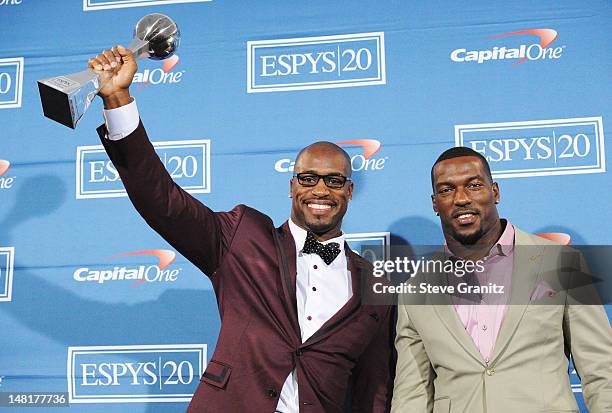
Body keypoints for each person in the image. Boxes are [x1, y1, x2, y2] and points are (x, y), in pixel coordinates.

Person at [88, 46, 394, 413]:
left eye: (333, 180)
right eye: (308, 178)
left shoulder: (375, 286)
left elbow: (374, 389)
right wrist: (119, 99)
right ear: (292, 186)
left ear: (349, 191)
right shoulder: (243, 236)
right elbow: (163, 202)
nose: (320, 190)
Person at [391, 147, 612, 413]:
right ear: (435, 203)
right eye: (447, 190)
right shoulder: (416, 288)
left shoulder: (561, 262)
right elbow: (411, 393)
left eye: (474, 185)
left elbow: (602, 371)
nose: (461, 199)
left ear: (495, 192)